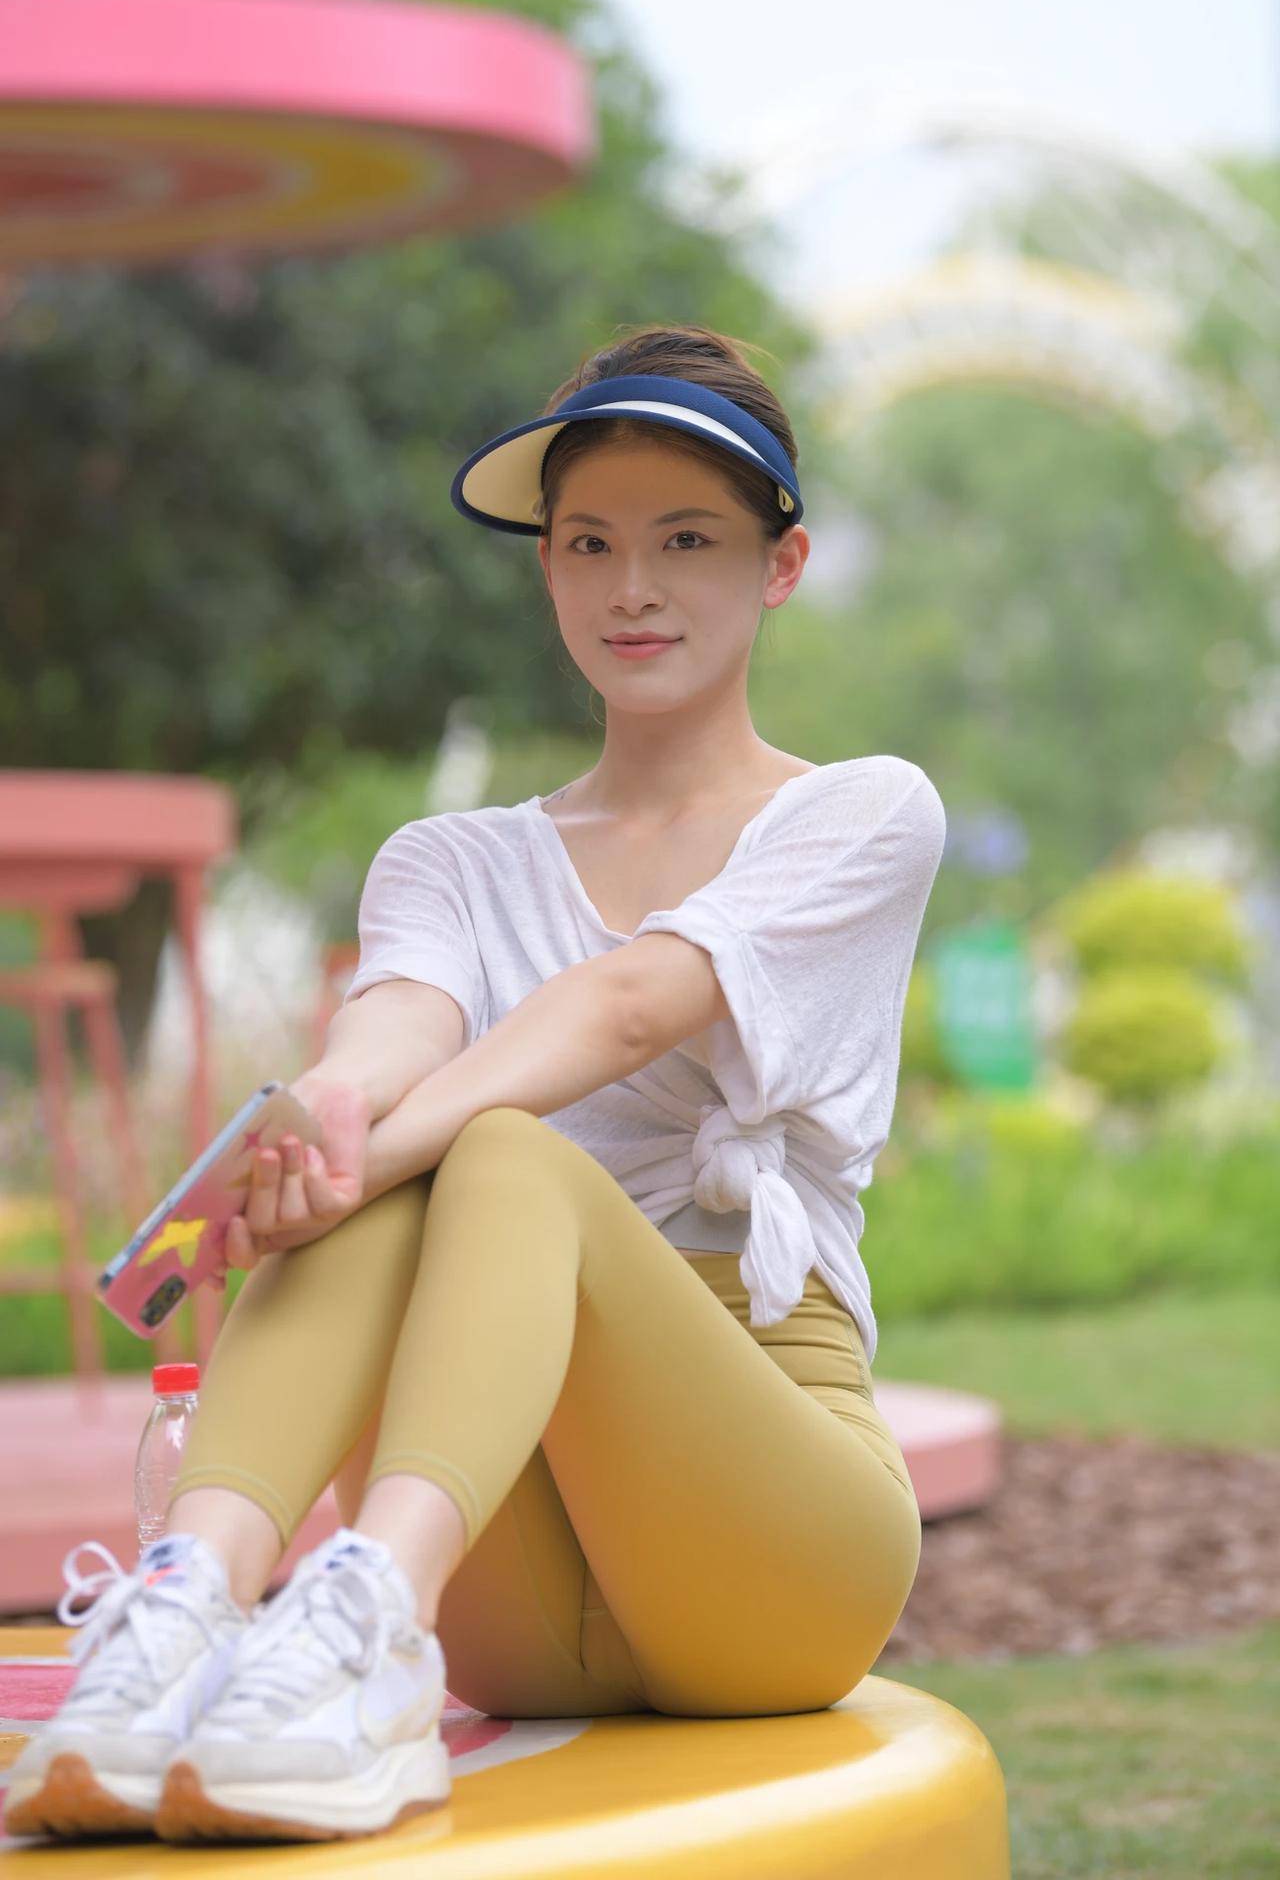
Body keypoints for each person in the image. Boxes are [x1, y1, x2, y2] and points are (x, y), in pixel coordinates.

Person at [7, 323, 947, 1846]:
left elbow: (626, 1006)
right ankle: (182, 1615)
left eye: (686, 540)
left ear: (780, 566)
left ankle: (370, 1614)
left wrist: (369, 1156)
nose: (631, 586)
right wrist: (333, 1114)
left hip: (776, 1562)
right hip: (515, 1596)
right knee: (378, 1148)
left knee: (486, 1156)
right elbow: (395, 1027)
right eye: (589, 544)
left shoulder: (860, 815)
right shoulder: (449, 859)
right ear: (547, 572)